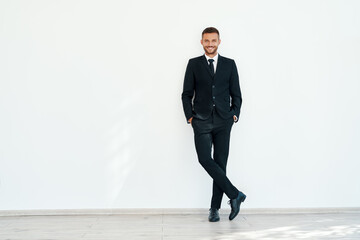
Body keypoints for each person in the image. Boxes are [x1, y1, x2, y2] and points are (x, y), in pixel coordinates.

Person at [181, 27, 246, 222]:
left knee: (220, 164)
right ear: (201, 42)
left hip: (224, 121)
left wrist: (234, 114)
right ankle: (235, 195)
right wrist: (190, 117)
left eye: (213, 40)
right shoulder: (193, 64)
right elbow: (186, 94)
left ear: (219, 42)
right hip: (201, 120)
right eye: (207, 41)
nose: (210, 44)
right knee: (204, 159)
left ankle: (214, 209)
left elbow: (237, 94)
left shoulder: (229, 64)